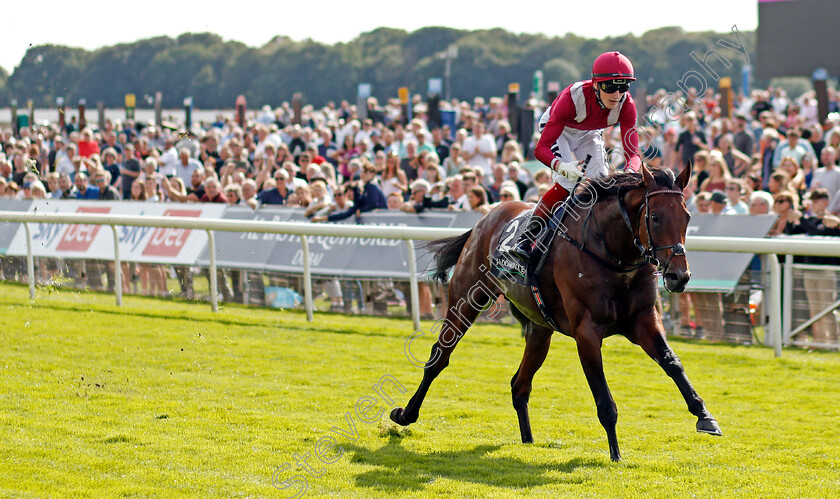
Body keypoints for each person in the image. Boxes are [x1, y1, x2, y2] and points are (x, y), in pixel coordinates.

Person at [507, 51, 641, 264]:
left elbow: (633, 153)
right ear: (595, 84)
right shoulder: (572, 98)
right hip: (560, 131)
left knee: (601, 185)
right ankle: (524, 240)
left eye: (623, 86)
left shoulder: (627, 105)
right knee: (569, 181)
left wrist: (631, 172)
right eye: (610, 87)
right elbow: (540, 148)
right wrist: (561, 166)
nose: (616, 95)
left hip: (589, 133)